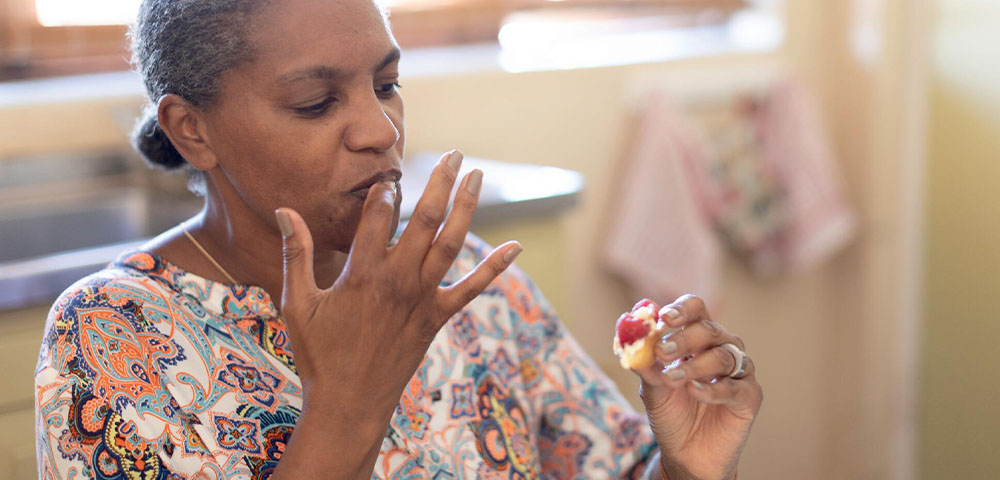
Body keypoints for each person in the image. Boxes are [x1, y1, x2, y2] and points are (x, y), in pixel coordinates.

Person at [33, 0, 763, 478]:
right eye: (317, 103)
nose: (381, 132)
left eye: (386, 85)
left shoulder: (466, 281)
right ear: (193, 129)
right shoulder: (112, 334)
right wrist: (348, 398)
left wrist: (685, 465)